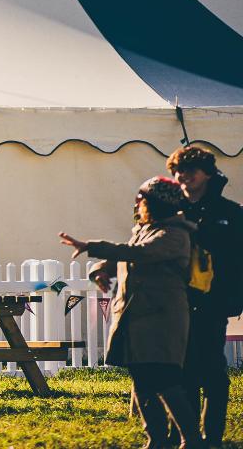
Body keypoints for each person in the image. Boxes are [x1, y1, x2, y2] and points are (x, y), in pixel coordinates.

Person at [62, 176, 206, 449]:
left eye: (142, 199)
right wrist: (99, 269)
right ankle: (156, 440)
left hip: (162, 318)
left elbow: (140, 253)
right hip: (136, 317)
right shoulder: (144, 229)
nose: (137, 203)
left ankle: (192, 439)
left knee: (165, 380)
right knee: (142, 380)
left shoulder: (175, 234)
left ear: (156, 203)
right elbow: (122, 255)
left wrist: (91, 246)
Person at [170, 145, 243, 445]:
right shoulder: (170, 212)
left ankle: (211, 434)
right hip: (177, 301)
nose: (182, 176)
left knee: (212, 368)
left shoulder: (231, 213)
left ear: (208, 173)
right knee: (183, 369)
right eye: (177, 170)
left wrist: (232, 296)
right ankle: (188, 435)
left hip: (214, 301)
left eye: (190, 170)